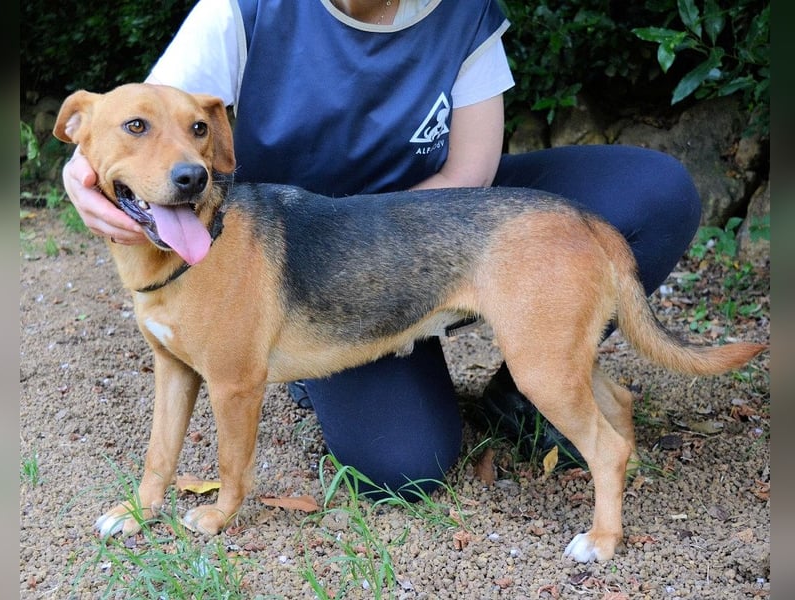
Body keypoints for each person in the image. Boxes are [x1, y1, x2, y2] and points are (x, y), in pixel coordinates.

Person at [62, 0, 701, 500]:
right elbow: (147, 127)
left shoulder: (465, 12)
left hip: (428, 220)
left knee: (655, 193)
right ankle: (288, 350)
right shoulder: (241, 10)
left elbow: (468, 173)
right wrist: (78, 177)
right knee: (403, 465)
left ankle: (526, 388)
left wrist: (410, 257)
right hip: (309, 257)